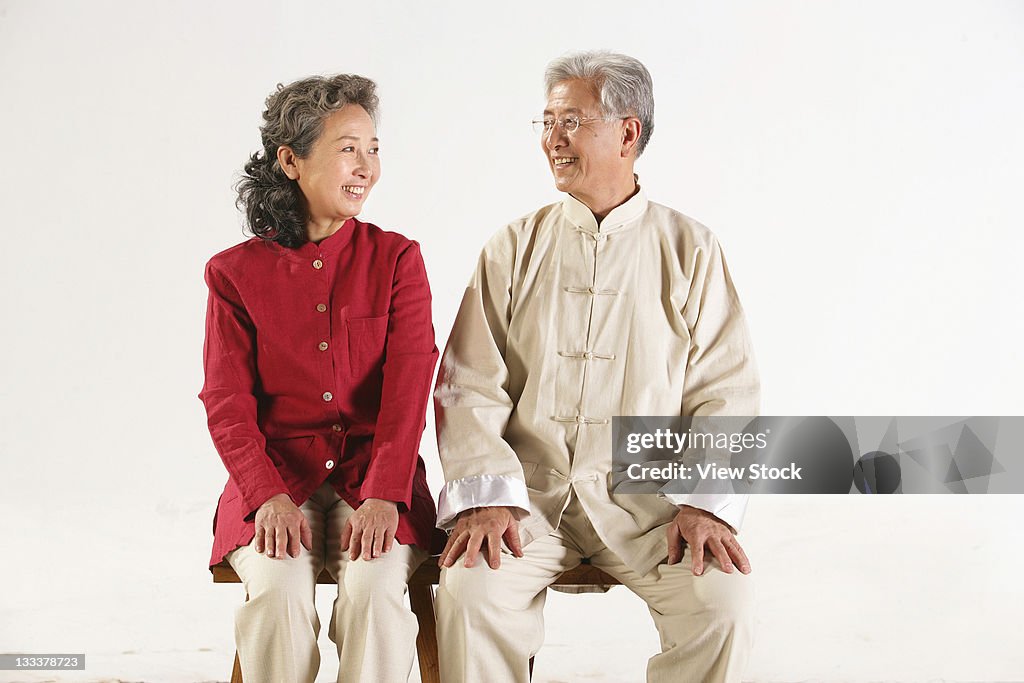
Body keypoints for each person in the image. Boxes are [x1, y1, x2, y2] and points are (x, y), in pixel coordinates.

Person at [433, 51, 759, 683]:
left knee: (724, 605)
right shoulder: (512, 246)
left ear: (628, 134)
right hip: (527, 500)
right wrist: (487, 496)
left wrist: (704, 504)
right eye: (547, 122)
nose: (553, 139)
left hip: (653, 507)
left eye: (572, 122)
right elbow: (467, 383)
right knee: (470, 594)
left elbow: (725, 388)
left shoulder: (690, 248)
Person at [200, 74, 442, 683]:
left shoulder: (397, 259)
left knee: (376, 592)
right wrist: (268, 497)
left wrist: (386, 492)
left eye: (374, 149)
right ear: (291, 160)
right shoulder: (232, 274)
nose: (366, 166)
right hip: (277, 481)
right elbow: (227, 402)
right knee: (276, 591)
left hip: (375, 479)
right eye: (347, 148)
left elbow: (410, 386)